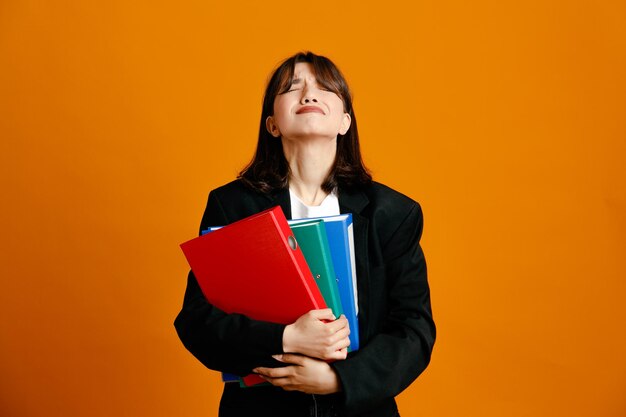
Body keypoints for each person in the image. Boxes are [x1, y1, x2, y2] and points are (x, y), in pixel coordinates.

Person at [174, 51, 436, 417]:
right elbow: (197, 322)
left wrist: (336, 379)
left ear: (345, 121)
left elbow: (414, 330)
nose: (308, 95)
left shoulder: (392, 214)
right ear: (272, 124)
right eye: (292, 88)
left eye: (324, 88)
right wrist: (286, 338)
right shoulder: (232, 206)